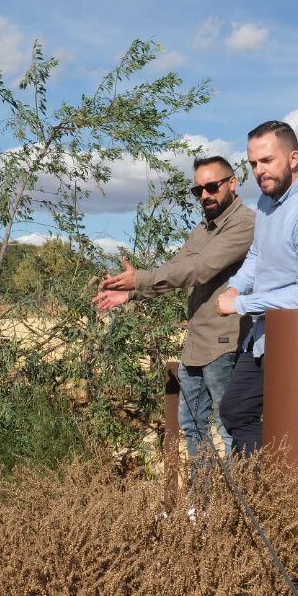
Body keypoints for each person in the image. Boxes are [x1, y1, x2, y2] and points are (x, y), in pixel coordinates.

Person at [94, 155, 255, 472]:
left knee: (229, 427)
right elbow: (178, 268)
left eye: (212, 186)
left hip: (224, 343)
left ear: (232, 183)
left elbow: (199, 268)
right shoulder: (205, 228)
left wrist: (140, 278)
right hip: (198, 341)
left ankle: (240, 504)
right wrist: (131, 293)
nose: (205, 195)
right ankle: (203, 502)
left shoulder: (244, 224)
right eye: (198, 191)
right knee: (192, 425)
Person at [216, 120, 298, 456]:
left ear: (293, 158)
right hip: (265, 335)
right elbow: (258, 257)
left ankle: (280, 499)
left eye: (267, 160)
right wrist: (235, 288)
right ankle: (263, 495)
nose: (259, 171)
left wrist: (242, 305)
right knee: (236, 410)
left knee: (294, 428)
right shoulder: (267, 202)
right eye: (253, 164)